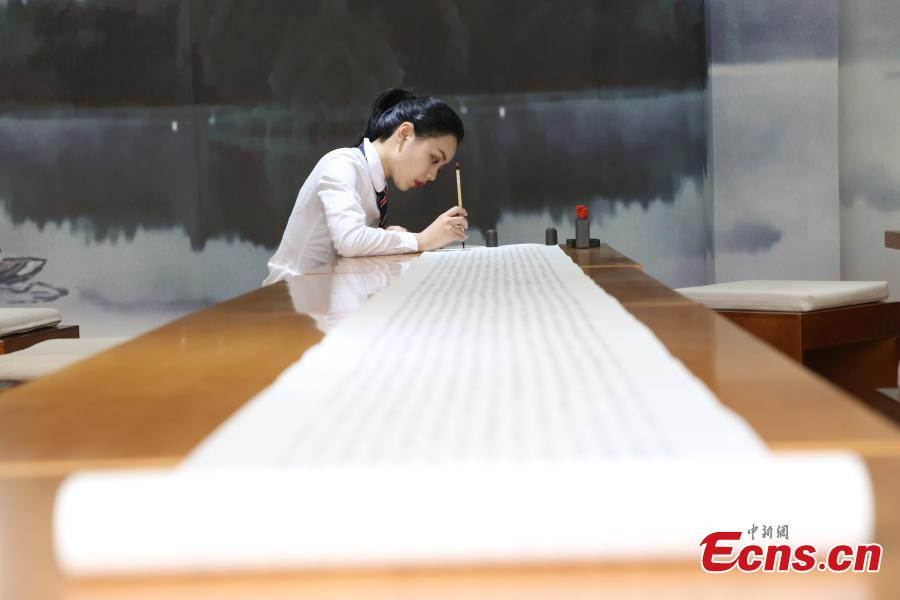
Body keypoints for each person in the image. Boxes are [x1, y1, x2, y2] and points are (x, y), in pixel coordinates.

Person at [263, 88, 467, 285]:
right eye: (433, 159)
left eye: (439, 169)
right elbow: (350, 241)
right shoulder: (342, 163)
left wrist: (389, 236)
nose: (432, 176)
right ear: (404, 134)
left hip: (323, 300)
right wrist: (422, 239)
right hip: (288, 298)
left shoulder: (376, 183)